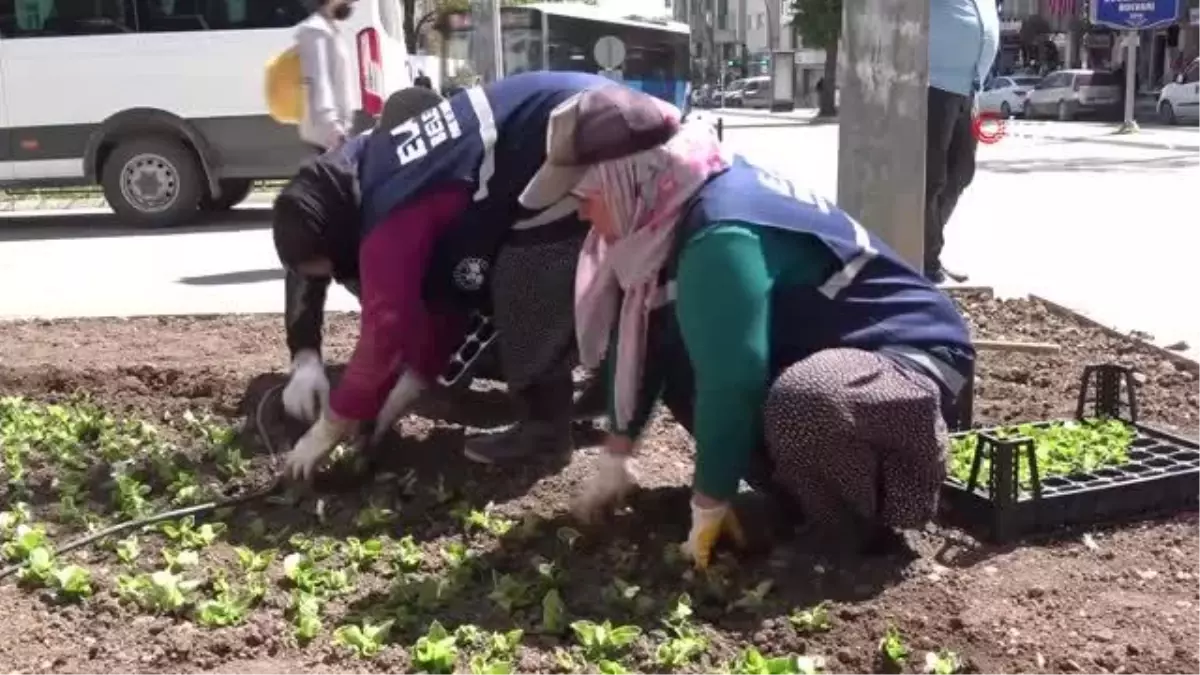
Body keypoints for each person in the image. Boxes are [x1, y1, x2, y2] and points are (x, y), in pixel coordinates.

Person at [517, 103, 974, 570]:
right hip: (834, 361)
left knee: (806, 401)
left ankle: (847, 533)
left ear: (624, 178)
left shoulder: (720, 228)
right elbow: (651, 343)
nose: (585, 216)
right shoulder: (674, 203)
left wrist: (709, 502)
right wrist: (618, 452)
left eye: (586, 198)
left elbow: (734, 378)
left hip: (910, 366)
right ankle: (797, 500)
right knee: (689, 358)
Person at [276, 73, 678, 481]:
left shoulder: (390, 215)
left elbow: (384, 332)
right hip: (582, 117)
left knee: (522, 285)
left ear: (336, 238)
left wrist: (326, 430)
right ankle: (600, 393)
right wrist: (404, 391)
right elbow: (447, 303)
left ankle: (546, 432)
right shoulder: (364, 162)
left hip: (589, 135)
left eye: (330, 266)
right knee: (534, 279)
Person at [925, 0, 999, 284]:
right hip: (935, 85)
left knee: (962, 172)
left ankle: (927, 243)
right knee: (931, 176)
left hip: (968, 88)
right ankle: (926, 258)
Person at [296, 0, 358, 152]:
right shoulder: (315, 30)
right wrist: (332, 125)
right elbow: (317, 80)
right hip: (327, 135)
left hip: (336, 131)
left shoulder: (329, 28)